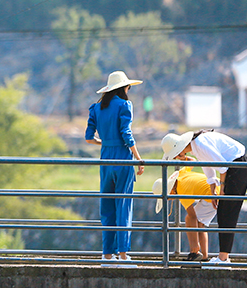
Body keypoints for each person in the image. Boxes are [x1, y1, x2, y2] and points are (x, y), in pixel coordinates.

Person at [161, 129, 247, 264]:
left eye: (175, 156)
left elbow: (222, 166)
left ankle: (223, 258)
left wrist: (222, 190)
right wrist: (213, 189)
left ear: (179, 150)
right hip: (236, 167)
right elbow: (209, 167)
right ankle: (223, 257)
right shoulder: (197, 146)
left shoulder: (200, 144)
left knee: (228, 213)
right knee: (224, 213)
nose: (176, 158)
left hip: (237, 167)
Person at [86, 70, 145, 264]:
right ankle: (122, 255)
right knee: (123, 206)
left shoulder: (95, 108)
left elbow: (88, 138)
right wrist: (138, 158)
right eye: (128, 86)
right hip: (122, 159)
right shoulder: (125, 105)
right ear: (124, 88)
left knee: (107, 207)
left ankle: (107, 255)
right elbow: (126, 133)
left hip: (105, 160)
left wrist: (104, 143)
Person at [152, 165, 215, 261]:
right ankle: (204, 257)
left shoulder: (182, 190)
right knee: (200, 224)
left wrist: (195, 243)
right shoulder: (181, 174)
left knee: (189, 219)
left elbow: (192, 216)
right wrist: (184, 157)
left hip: (212, 197)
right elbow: (192, 161)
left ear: (171, 191)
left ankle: (195, 251)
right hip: (215, 189)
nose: (169, 199)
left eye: (168, 196)